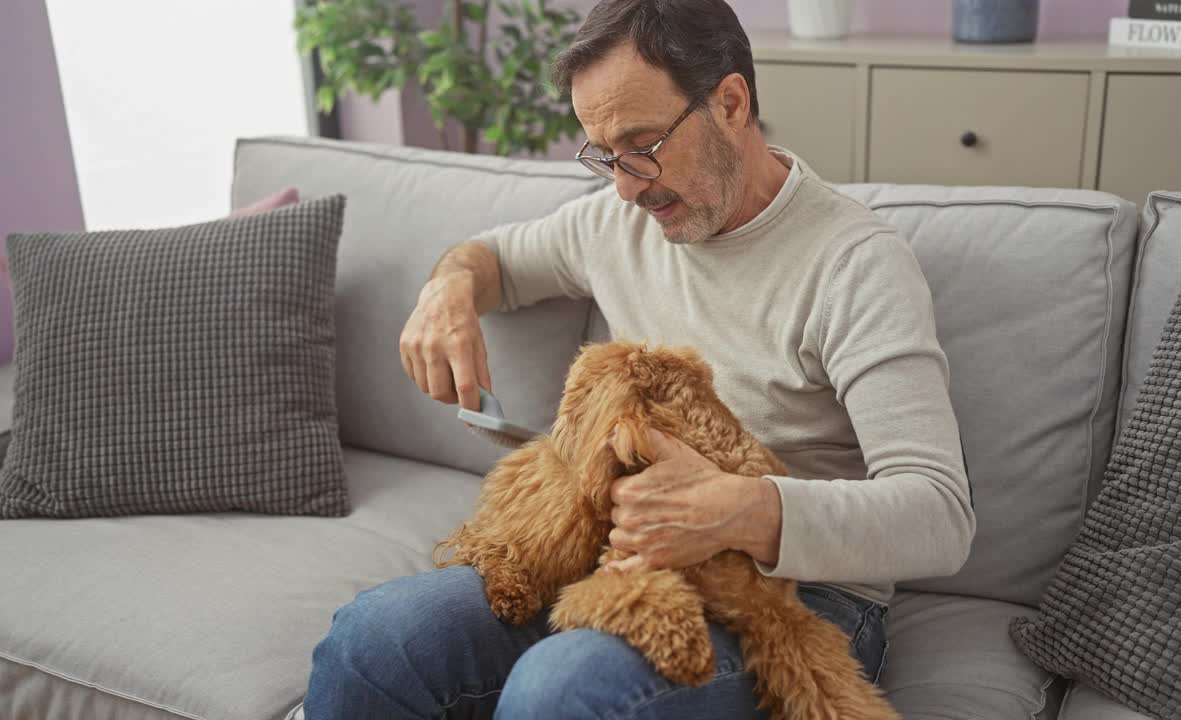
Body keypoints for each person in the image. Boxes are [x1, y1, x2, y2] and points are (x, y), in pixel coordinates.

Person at [303, 1, 975, 718]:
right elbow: (494, 257)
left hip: (802, 600)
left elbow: (940, 515)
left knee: (559, 694)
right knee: (372, 639)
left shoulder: (856, 266)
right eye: (602, 153)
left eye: (642, 143)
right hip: (627, 561)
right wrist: (449, 287)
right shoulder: (617, 221)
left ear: (731, 102)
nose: (623, 184)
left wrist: (738, 509)